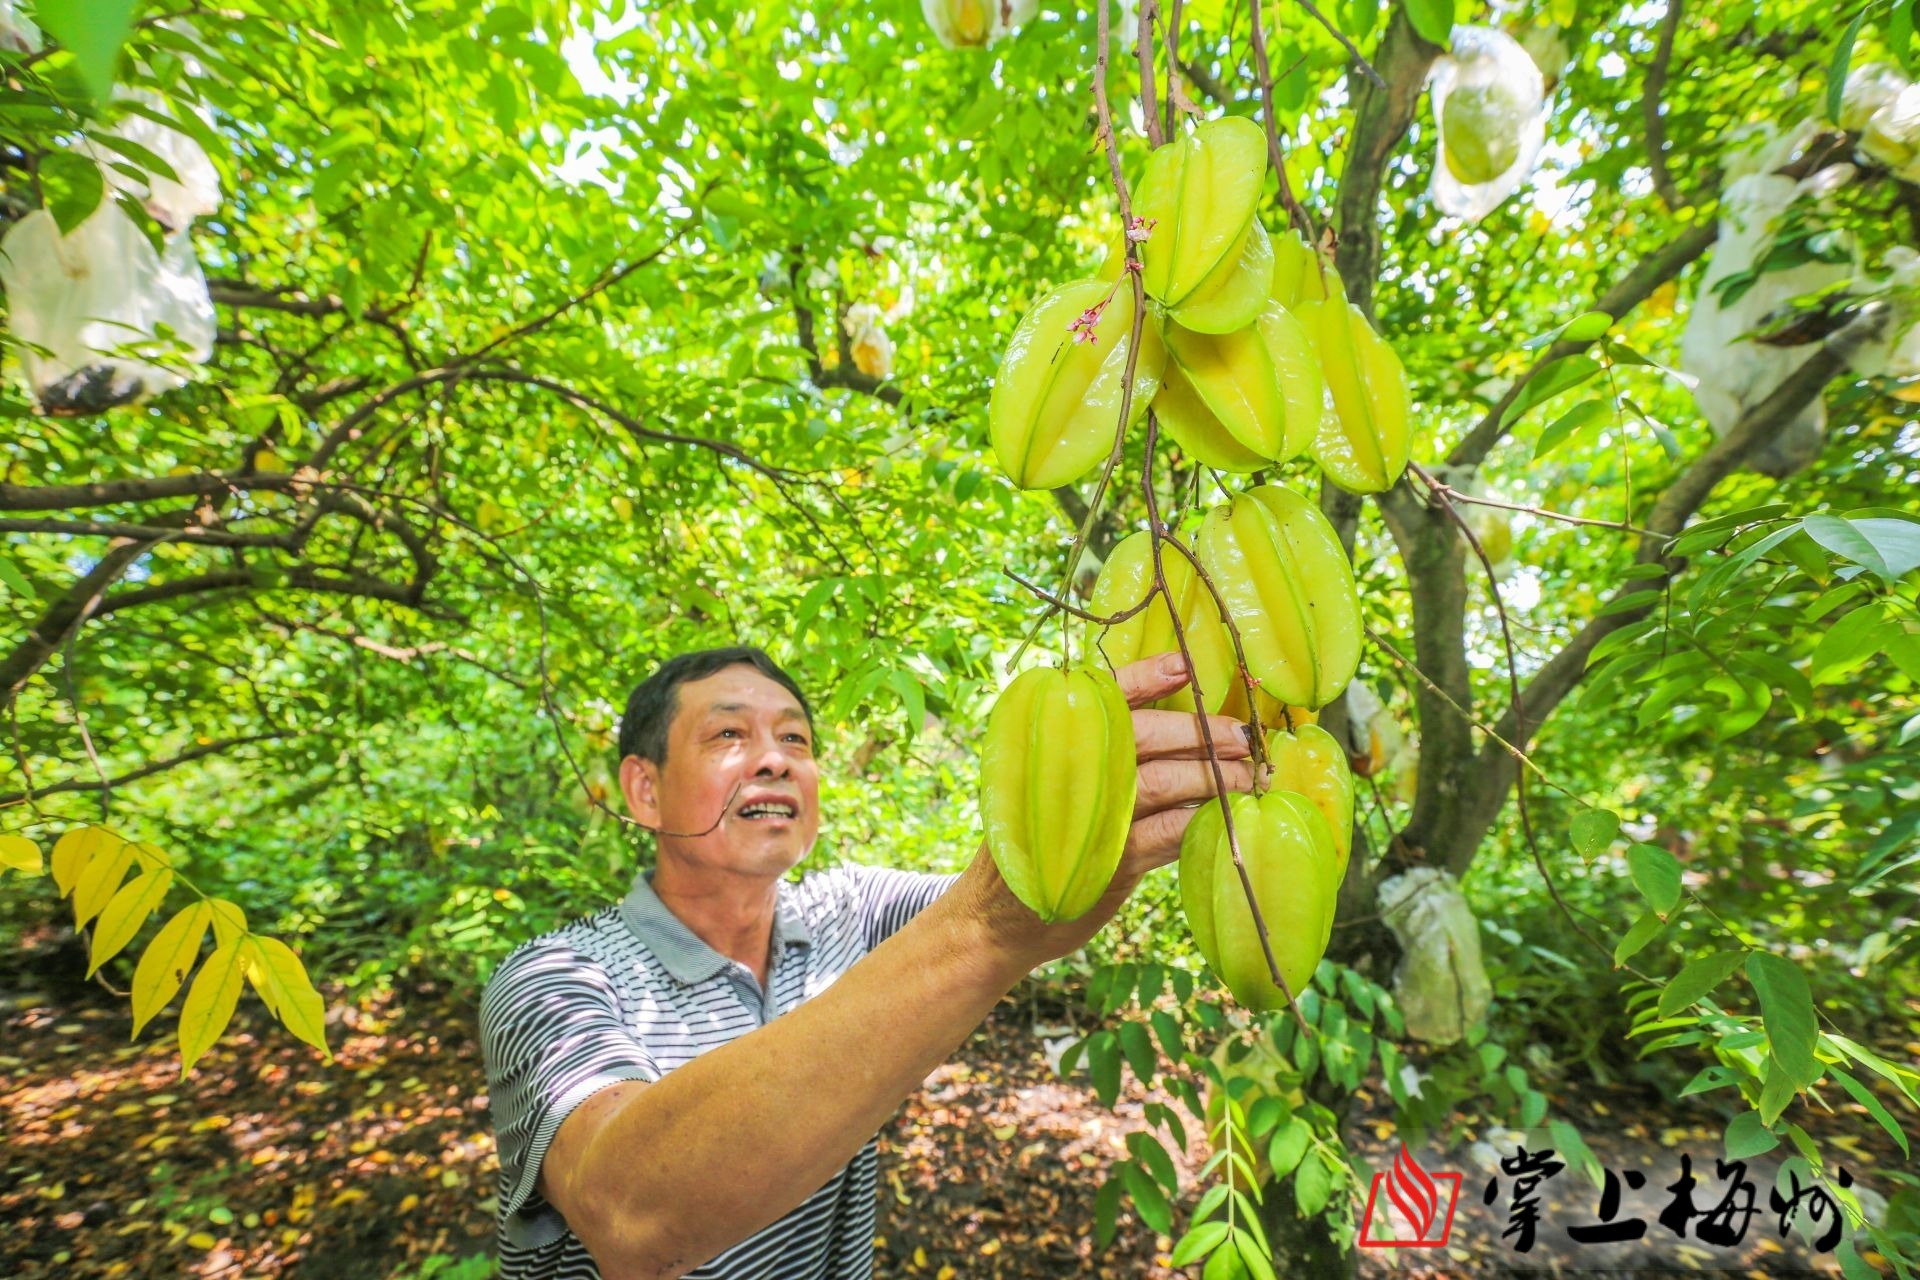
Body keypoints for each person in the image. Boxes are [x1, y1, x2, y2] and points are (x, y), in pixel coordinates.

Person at [479, 645, 1259, 1279]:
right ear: (643, 790)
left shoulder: (851, 912)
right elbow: (631, 1214)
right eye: (729, 736)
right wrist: (992, 926)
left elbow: (1028, 899)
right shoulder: (557, 977)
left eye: (796, 740)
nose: (775, 761)